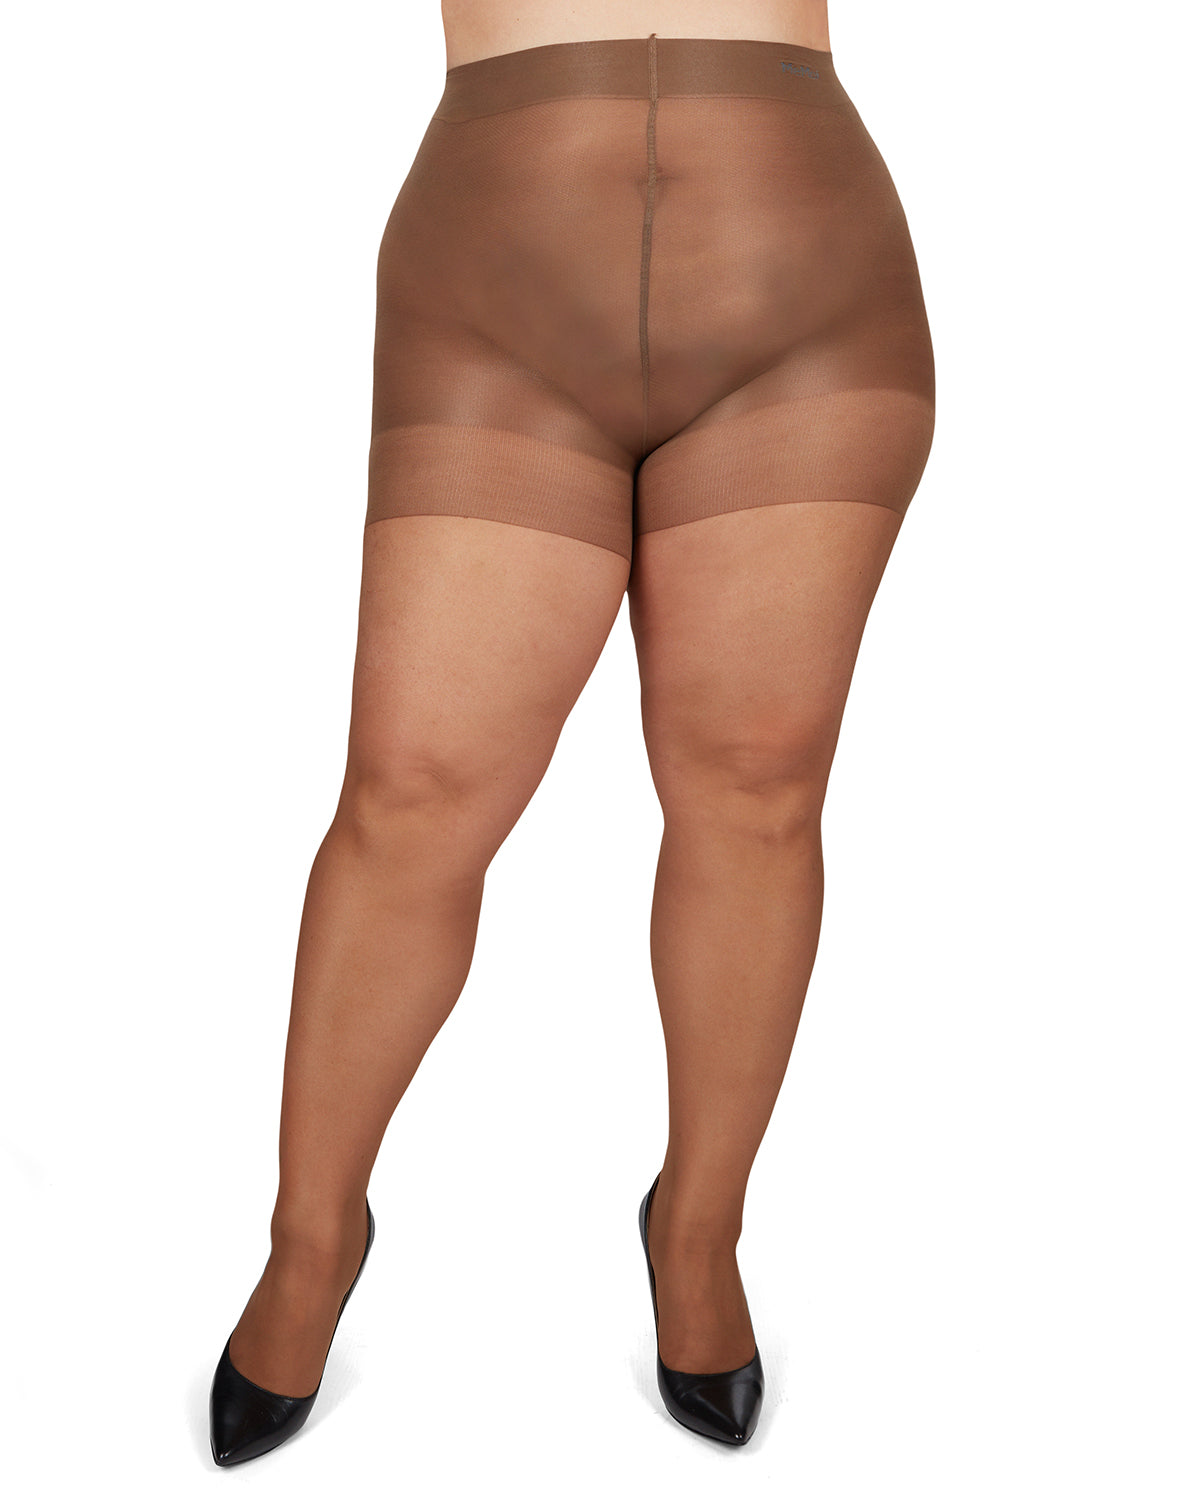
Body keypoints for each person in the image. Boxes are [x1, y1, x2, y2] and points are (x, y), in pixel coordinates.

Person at [208, 0, 935, 1461]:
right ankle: (309, 1240)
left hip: (804, 283)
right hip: (501, 286)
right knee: (413, 793)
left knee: (757, 787)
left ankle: (699, 1229)